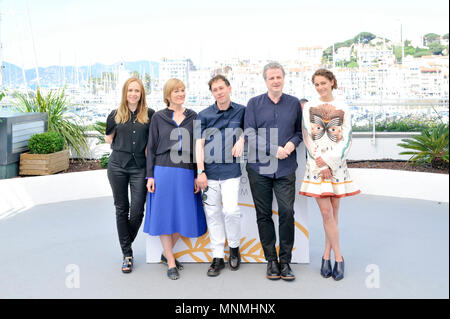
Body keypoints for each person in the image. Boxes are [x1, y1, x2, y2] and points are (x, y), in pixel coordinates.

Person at [299, 68, 360, 281]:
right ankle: (339, 258)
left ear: (332, 82)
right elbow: (308, 137)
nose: (320, 87)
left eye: (323, 83)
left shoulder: (344, 107)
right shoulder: (308, 108)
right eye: (316, 84)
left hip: (337, 167)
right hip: (316, 166)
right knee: (326, 214)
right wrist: (321, 163)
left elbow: (347, 138)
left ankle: (326, 255)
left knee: (333, 215)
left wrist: (331, 163)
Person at [143, 78, 207, 280]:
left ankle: (165, 253)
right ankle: (170, 260)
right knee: (164, 216)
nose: (180, 94)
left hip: (186, 172)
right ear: (168, 95)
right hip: (163, 171)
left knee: (184, 216)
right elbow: (151, 148)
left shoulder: (193, 117)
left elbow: (198, 149)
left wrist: (198, 173)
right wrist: (150, 175)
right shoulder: (159, 117)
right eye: (176, 91)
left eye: (182, 90)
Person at [244, 62, 303, 281]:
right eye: (271, 78)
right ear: (265, 80)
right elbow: (249, 133)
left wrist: (291, 144)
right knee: (263, 214)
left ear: (284, 78)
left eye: (279, 77)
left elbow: (298, 132)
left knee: (287, 212)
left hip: (286, 168)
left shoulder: (294, 103)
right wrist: (273, 149)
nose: (275, 81)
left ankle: (285, 262)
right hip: (258, 168)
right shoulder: (254, 103)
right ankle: (271, 261)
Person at [195, 75, 246, 277]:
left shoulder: (242, 110)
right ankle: (218, 257)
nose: (219, 92)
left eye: (221, 88)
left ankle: (234, 248)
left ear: (229, 88)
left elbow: (252, 129)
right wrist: (200, 172)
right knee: (213, 215)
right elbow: (198, 145)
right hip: (209, 173)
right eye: (215, 90)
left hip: (231, 172)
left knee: (231, 211)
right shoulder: (203, 115)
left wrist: (242, 138)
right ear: (212, 93)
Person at [105, 77, 155, 274]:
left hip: (139, 168)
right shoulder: (114, 115)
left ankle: (125, 240)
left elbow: (151, 144)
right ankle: (127, 253)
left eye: (137, 91)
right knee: (121, 208)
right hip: (117, 166)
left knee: (137, 211)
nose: (133, 94)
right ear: (125, 93)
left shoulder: (150, 115)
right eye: (130, 90)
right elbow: (109, 139)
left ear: (141, 94)